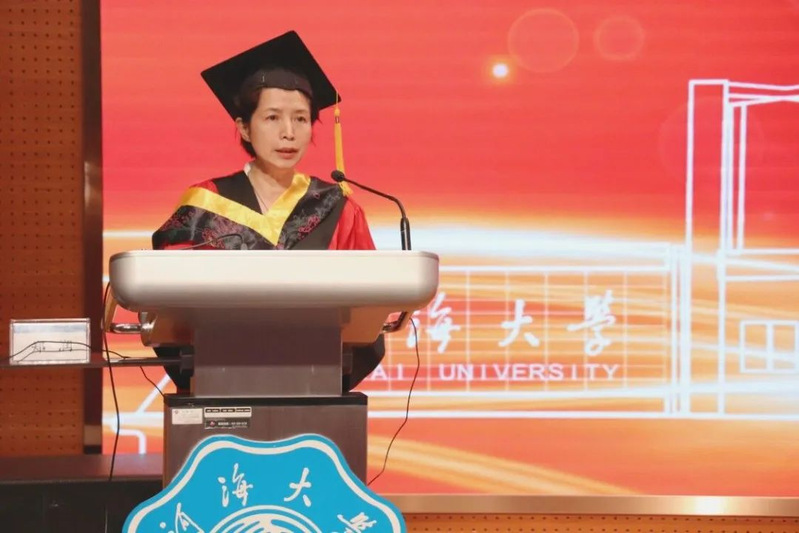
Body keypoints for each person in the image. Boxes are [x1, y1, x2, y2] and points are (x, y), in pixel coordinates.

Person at [150, 31, 384, 392]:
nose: (288, 133)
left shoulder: (338, 208)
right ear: (244, 127)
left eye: (301, 119)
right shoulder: (204, 205)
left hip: (314, 389)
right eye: (272, 118)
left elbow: (368, 315)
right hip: (219, 386)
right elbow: (169, 310)